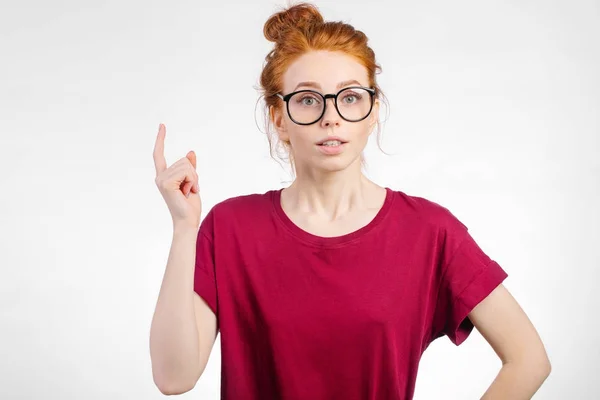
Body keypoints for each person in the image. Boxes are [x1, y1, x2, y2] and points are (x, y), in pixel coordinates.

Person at [149, 3, 551, 399]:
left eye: (350, 97)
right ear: (279, 119)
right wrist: (184, 227)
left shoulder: (429, 231)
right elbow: (174, 377)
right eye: (307, 100)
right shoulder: (231, 227)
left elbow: (528, 358)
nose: (331, 117)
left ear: (373, 110)